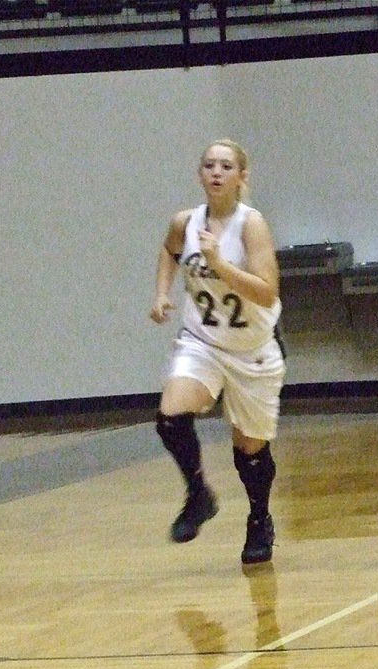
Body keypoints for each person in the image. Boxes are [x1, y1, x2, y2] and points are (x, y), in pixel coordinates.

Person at [149, 139, 285, 565]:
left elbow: (266, 293)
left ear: (242, 176)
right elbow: (170, 251)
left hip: (252, 349)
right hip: (202, 340)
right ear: (200, 174)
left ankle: (259, 519)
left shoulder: (251, 225)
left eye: (226, 166)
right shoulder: (185, 222)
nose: (216, 172)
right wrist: (161, 294)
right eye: (209, 165)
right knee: (170, 417)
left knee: (250, 450)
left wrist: (219, 263)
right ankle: (198, 494)